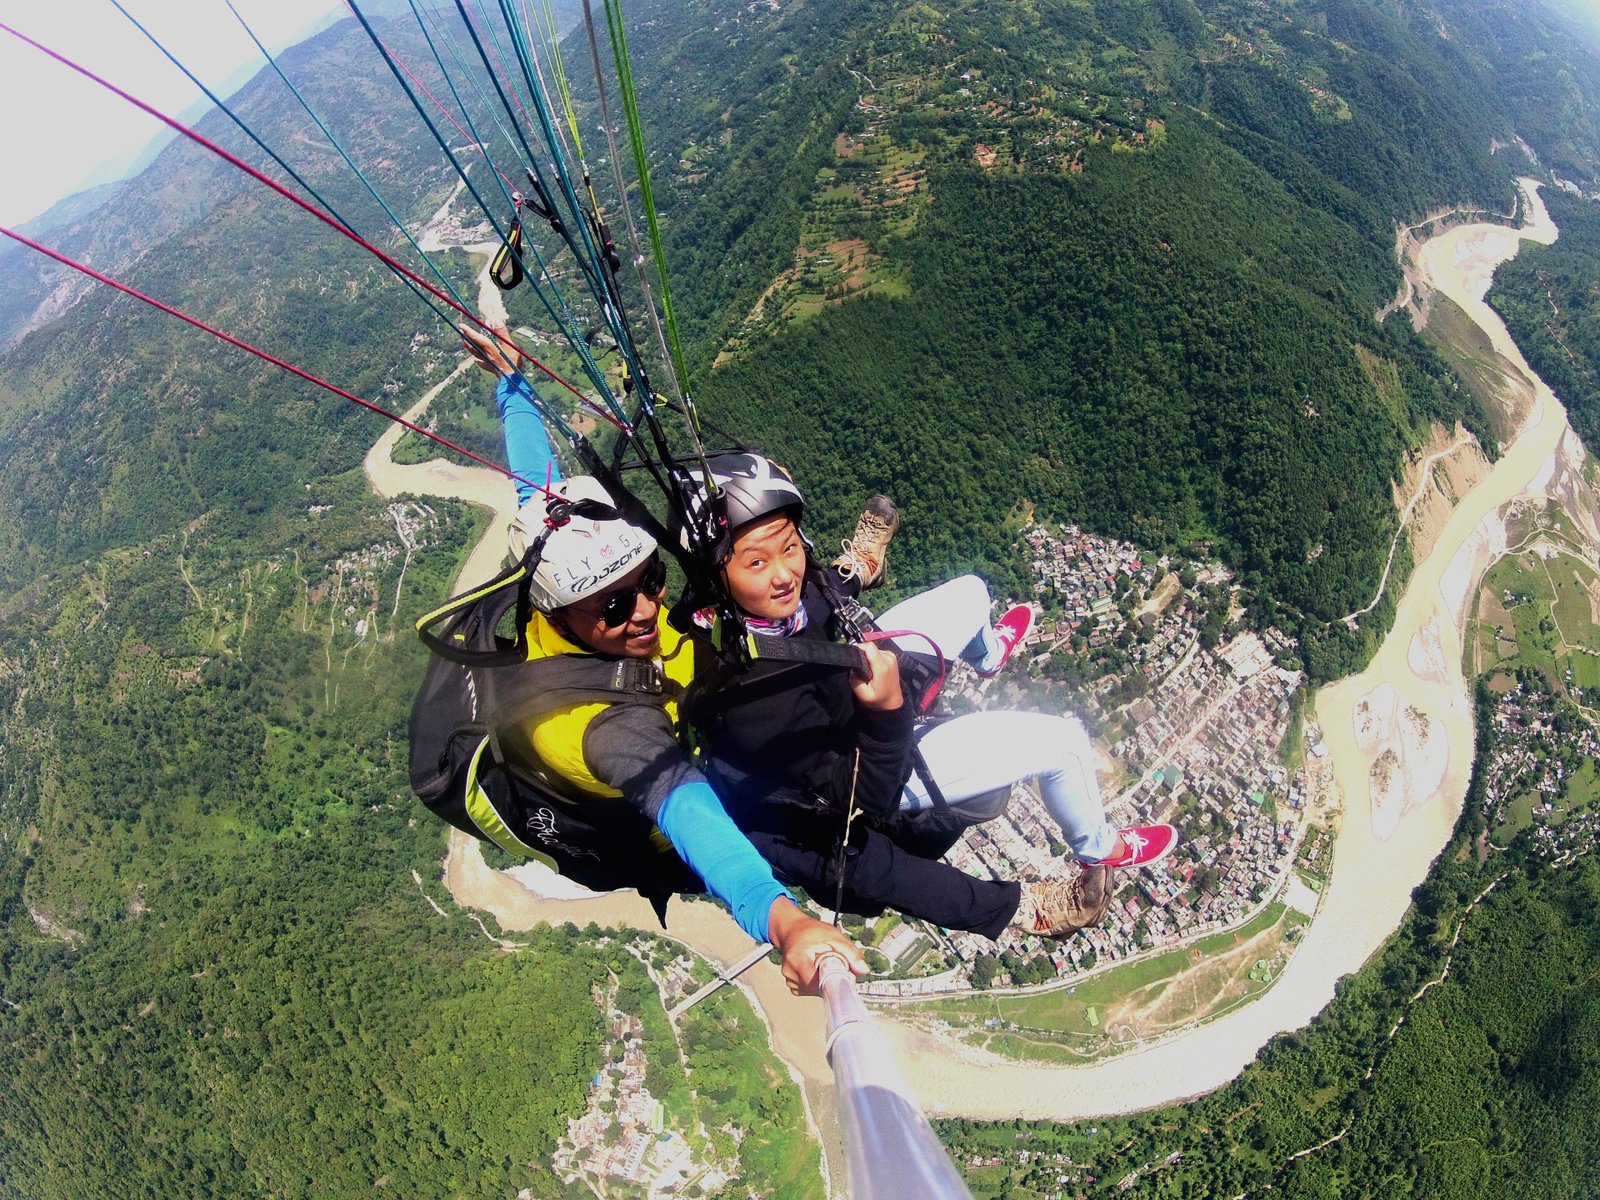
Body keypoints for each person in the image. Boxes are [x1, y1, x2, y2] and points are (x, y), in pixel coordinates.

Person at [451, 325, 866, 995]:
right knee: (833, 835)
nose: (642, 609)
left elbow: (535, 487)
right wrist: (783, 921)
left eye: (649, 580)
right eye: (613, 607)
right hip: (664, 828)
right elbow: (690, 813)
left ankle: (835, 588)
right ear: (559, 614)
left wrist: (514, 387)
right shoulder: (600, 727)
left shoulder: (557, 564)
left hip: (681, 701)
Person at [677, 452, 1179, 941]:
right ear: (717, 571)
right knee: (1064, 745)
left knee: (971, 593)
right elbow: (867, 799)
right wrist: (889, 709)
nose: (783, 572)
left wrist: (858, 569)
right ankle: (1101, 847)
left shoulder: (736, 608)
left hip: (853, 689)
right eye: (758, 561)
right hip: (872, 770)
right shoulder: (752, 698)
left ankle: (988, 656)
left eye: (790, 546)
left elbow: (816, 591)